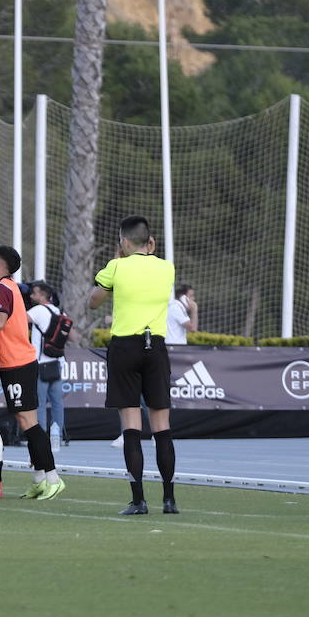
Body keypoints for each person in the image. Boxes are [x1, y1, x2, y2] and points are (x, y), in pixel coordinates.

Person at [89, 216, 179, 515]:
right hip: (156, 347)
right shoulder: (167, 267)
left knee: (130, 424)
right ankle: (169, 499)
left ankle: (138, 500)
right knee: (161, 425)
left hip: (125, 346)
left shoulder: (116, 266)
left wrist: (115, 266)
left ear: (123, 242)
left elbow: (93, 301)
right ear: (150, 242)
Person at [0, 246, 63, 500]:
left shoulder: (2, 287)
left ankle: (53, 478)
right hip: (19, 361)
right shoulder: (4, 285)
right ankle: (38, 480)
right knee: (28, 422)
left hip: (16, 363)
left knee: (29, 423)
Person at [27, 280, 66, 446]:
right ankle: (58, 434)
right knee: (57, 402)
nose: (31, 295)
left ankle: (41, 435)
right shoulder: (56, 310)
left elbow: (17, 321)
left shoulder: (37, 310)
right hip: (56, 362)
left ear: (42, 295)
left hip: (40, 362)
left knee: (40, 403)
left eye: (34, 293)